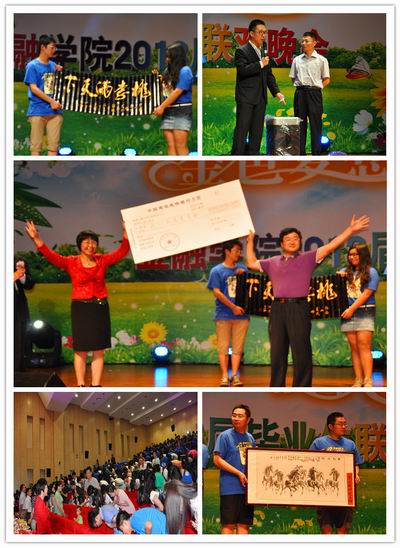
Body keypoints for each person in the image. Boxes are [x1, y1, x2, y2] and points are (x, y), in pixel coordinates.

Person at [246, 215, 370, 387]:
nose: (292, 241)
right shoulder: (272, 262)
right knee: (277, 351)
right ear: (281, 244)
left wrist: (350, 230)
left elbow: (332, 246)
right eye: (288, 239)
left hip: (299, 307)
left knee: (301, 350)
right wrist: (250, 241)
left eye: (295, 238)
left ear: (300, 242)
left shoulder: (308, 258)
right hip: (277, 308)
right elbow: (251, 263)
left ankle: (302, 387)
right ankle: (277, 386)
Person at [25, 220, 130, 387]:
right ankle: (80, 384)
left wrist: (125, 234)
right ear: (80, 245)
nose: (90, 245)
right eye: (86, 242)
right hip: (80, 308)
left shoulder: (102, 260)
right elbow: (51, 256)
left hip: (100, 308)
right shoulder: (71, 261)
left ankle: (96, 385)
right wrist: (36, 238)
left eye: (93, 242)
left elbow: (121, 252)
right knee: (81, 349)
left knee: (98, 349)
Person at [231, 19, 285, 155]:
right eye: (260, 32)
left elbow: (269, 75)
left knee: (257, 132)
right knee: (242, 131)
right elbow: (242, 70)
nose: (263, 35)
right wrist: (260, 64)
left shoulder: (263, 52)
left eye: (265, 32)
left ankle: (253, 157)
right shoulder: (241, 51)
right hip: (246, 99)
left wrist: (277, 92)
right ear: (251, 33)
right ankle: (236, 158)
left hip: (261, 98)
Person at [309, 412, 363, 534]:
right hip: (324, 495)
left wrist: (356, 474)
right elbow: (310, 464)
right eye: (340, 424)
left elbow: (356, 464)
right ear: (331, 426)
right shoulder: (318, 443)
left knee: (342, 531)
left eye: (345, 424)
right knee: (326, 530)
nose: (344, 427)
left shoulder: (350, 444)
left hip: (345, 494)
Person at [207, 240, 250, 387]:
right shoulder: (217, 271)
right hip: (223, 315)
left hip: (242, 315)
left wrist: (244, 276)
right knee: (223, 348)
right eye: (236, 250)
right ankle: (225, 376)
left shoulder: (243, 269)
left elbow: (251, 288)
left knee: (238, 348)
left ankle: (235, 376)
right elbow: (217, 292)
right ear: (227, 251)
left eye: (240, 250)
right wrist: (233, 307)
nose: (239, 253)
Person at [339, 244, 379, 387]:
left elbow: (367, 293)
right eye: (350, 254)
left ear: (363, 255)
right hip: (347, 312)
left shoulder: (371, 271)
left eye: (356, 254)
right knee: (354, 347)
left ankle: (368, 380)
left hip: (365, 310)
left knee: (363, 345)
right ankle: (358, 379)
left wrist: (352, 309)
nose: (353, 257)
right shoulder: (344, 271)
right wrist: (339, 277)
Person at [213, 404, 256, 535]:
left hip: (247, 489)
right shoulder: (225, 436)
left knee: (244, 525)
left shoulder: (251, 438)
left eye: (240, 416)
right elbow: (217, 460)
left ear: (248, 420)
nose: (236, 418)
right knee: (229, 525)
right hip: (230, 488)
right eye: (234, 415)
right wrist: (238, 473)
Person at [289, 31, 330, 155]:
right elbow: (293, 78)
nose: (303, 43)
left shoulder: (322, 60)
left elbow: (327, 79)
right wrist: (301, 87)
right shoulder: (297, 60)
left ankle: (316, 154)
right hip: (300, 93)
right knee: (300, 123)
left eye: (306, 41)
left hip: (315, 94)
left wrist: (316, 88)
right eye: (302, 41)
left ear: (314, 43)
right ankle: (300, 153)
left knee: (315, 124)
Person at [24, 35, 63, 156]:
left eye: (55, 47)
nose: (54, 50)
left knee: (54, 147)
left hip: (54, 112)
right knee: (36, 147)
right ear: (43, 47)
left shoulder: (53, 65)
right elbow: (34, 88)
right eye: (52, 47)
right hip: (38, 111)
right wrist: (51, 101)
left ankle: (52, 166)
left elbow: (52, 87)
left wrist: (60, 73)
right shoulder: (32, 66)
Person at [153, 42, 193, 155]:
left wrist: (161, 107)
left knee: (180, 145)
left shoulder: (185, 70)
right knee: (170, 145)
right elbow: (165, 89)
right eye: (166, 56)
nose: (167, 59)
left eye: (169, 56)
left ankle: (185, 166)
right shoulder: (167, 71)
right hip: (168, 110)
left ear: (176, 57)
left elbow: (178, 91)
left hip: (181, 110)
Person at [14, 259, 35, 372]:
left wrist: (21, 275)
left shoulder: (17, 262)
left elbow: (30, 283)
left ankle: (18, 366)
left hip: (19, 309)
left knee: (20, 337)